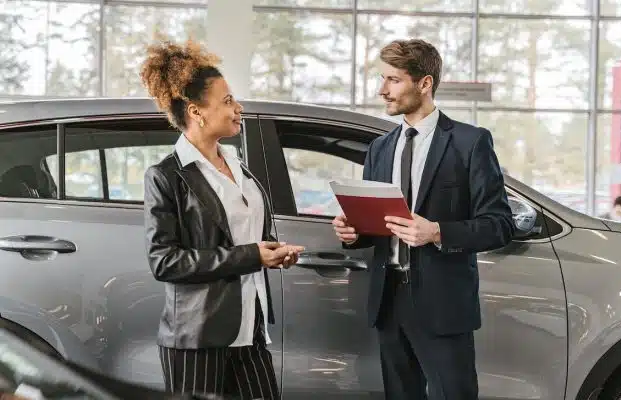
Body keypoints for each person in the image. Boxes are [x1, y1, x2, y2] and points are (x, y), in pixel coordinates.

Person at [333, 39, 515, 400]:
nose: (382, 90)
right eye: (382, 79)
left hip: (442, 303)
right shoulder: (380, 148)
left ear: (425, 83)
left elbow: (500, 224)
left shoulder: (470, 142)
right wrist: (353, 233)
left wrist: (437, 232)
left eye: (393, 80)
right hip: (389, 301)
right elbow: (376, 227)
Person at [141, 39, 304, 399]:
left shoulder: (237, 167)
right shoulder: (167, 176)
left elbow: (243, 235)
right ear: (197, 111)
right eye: (228, 101)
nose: (238, 108)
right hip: (198, 336)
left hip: (251, 327)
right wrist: (252, 256)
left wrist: (273, 253)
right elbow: (164, 262)